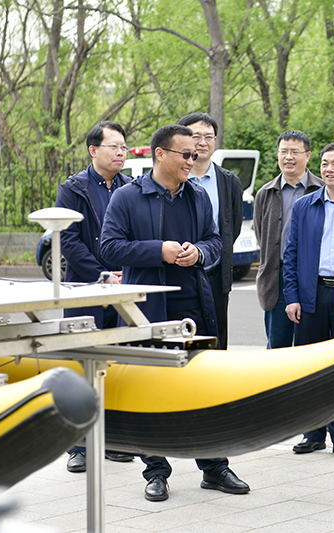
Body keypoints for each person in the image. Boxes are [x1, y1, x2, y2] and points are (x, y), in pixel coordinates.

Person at [101, 124, 249, 501]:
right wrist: (159, 251)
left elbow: (215, 241)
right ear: (160, 154)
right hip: (148, 312)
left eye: (195, 155)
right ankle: (156, 471)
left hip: (195, 308)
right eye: (185, 154)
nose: (192, 160)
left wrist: (199, 253)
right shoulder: (127, 197)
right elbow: (110, 248)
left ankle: (214, 467)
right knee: (149, 392)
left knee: (205, 389)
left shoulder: (197, 195)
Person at [55, 121, 134, 472]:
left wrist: (125, 273)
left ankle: (113, 441)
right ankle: (79, 446)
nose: (120, 152)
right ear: (93, 150)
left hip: (123, 288)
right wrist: (103, 274)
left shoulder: (130, 188)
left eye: (123, 147)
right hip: (86, 289)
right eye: (113, 146)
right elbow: (68, 241)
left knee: (116, 367)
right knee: (81, 367)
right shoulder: (73, 189)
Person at [283, 142, 334, 459]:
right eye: (325, 163)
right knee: (309, 368)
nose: (329, 169)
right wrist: (292, 297)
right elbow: (291, 254)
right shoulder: (305, 206)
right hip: (311, 295)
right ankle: (312, 433)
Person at [178, 112, 244, 350]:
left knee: (216, 339)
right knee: (181, 339)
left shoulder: (229, 181)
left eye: (209, 137)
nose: (203, 142)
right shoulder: (173, 179)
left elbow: (232, 227)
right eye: (196, 136)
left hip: (215, 273)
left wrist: (210, 252)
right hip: (178, 271)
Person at [253, 130, 324, 349]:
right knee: (277, 346)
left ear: (308, 155)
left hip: (315, 277)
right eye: (283, 151)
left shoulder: (323, 190)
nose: (288, 157)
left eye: (295, 152)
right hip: (278, 278)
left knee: (313, 347)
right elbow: (261, 235)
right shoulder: (265, 193)